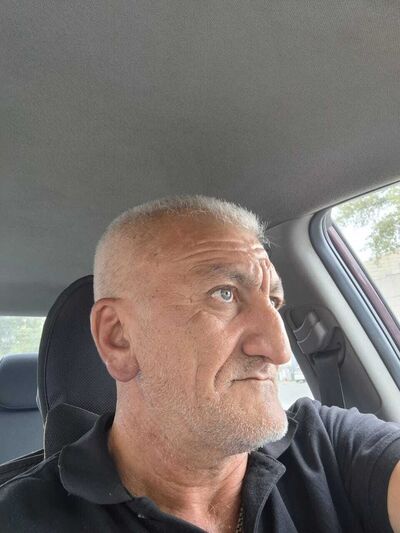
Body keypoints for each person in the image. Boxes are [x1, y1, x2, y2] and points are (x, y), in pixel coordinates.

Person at [0, 195, 399, 532]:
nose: (279, 350)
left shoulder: (329, 446)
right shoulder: (22, 518)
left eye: (274, 302)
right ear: (118, 337)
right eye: (224, 294)